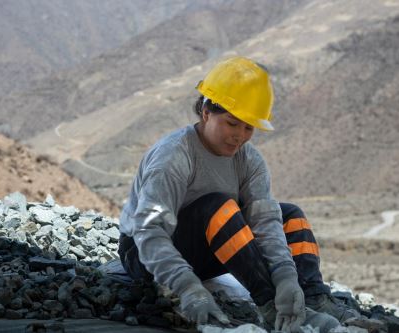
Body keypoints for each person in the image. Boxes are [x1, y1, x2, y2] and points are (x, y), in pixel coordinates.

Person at [117, 57, 360, 332]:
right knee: (219, 206)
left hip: (204, 247)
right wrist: (188, 287)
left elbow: (265, 221)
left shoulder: (249, 160)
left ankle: (309, 298)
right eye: (232, 123)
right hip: (143, 252)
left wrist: (285, 275)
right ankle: (270, 307)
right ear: (206, 112)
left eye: (248, 127)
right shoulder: (174, 157)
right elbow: (149, 231)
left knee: (289, 214)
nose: (240, 136)